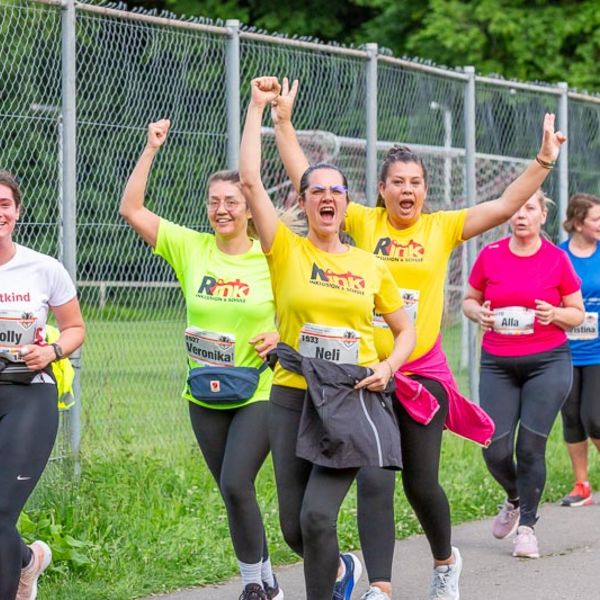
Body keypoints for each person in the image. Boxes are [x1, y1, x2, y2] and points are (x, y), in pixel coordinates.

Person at [271, 78, 566, 599]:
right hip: (365, 372)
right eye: (398, 182)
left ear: (425, 190)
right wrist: (283, 123)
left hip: (420, 371)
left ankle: (445, 561)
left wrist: (543, 161)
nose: (407, 190)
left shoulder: (441, 228)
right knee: (376, 478)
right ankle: (380, 587)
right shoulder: (362, 221)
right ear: (382, 189)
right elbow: (309, 181)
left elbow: (503, 205)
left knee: (420, 482)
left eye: (416, 182)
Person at [239, 76, 416, 600]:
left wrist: (388, 366)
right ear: (303, 201)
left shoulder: (370, 265)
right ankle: (341, 569)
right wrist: (256, 109)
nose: (327, 198)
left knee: (318, 516)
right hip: (292, 394)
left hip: (348, 395)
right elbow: (250, 181)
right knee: (296, 528)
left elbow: (403, 330)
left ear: (345, 203)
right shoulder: (285, 249)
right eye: (316, 190)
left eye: (336, 191)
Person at [119, 121, 283, 600]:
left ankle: (253, 588)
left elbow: (304, 307)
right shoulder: (191, 247)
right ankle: (267, 578)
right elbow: (131, 209)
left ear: (249, 208)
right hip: (204, 389)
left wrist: (281, 333)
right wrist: (150, 149)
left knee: (236, 482)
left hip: (258, 387)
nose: (221, 209)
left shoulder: (271, 256)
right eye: (214, 202)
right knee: (234, 493)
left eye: (231, 201)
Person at [463, 190, 584, 558]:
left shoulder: (556, 259)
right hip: (498, 363)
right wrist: (478, 314)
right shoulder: (490, 255)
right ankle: (515, 497)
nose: (521, 215)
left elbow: (576, 312)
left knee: (530, 448)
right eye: (516, 208)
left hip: (547, 363)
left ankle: (528, 528)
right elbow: (468, 300)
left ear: (542, 215)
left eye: (529, 208)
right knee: (494, 448)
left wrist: (556, 314)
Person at [0, 170, 85, 600]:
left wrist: (52, 351)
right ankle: (26, 562)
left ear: (17, 211)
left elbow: (74, 328)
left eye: (4, 205)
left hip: (28, 393)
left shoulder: (43, 268)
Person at [559, 193, 600, 506]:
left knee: (594, 417)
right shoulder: (558, 256)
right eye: (596, 219)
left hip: (598, 351)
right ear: (577, 222)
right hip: (565, 350)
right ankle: (581, 485)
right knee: (572, 417)